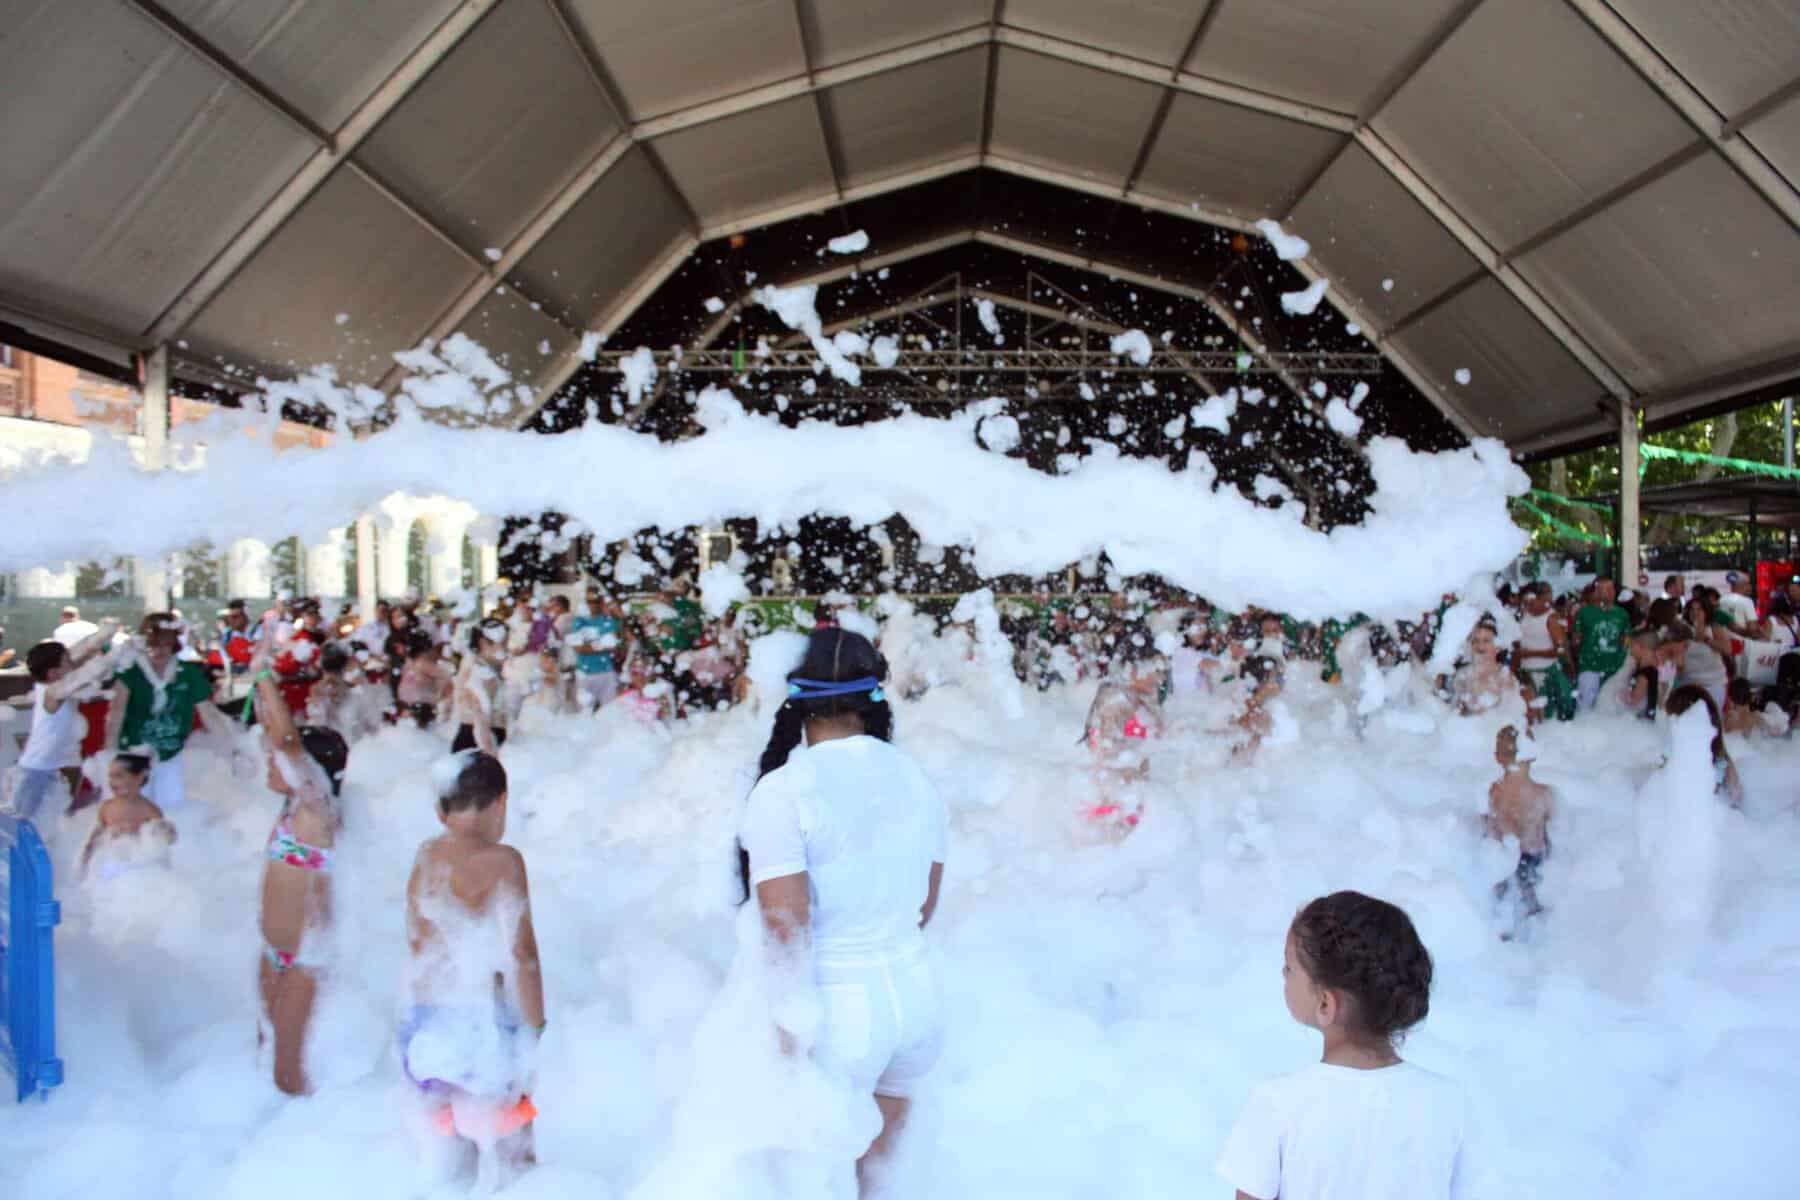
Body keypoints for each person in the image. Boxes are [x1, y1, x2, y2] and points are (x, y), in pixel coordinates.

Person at [738, 628, 947, 1196]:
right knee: (877, 1184)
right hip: (917, 999)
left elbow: (785, 926)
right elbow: (924, 906)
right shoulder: (916, 778)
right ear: (873, 697)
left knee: (812, 1182)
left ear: (795, 698)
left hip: (837, 1011)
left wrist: (789, 1029)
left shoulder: (784, 790)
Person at [1217, 892, 1488, 1200]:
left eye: (1289, 967)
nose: (1283, 973)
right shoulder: (1450, 1105)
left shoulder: (1278, 1103)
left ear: (1325, 1004)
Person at [401, 751, 544, 1183]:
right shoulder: (503, 860)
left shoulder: (427, 854)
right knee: (513, 1152)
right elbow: (521, 953)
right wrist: (536, 1027)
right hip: (479, 1026)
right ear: (501, 802)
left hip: (426, 1026)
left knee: (449, 1157)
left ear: (441, 808)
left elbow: (419, 940)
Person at [252, 658, 350, 1095]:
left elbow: (287, 741)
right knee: (264, 1057)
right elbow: (274, 732)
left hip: (307, 959)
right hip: (273, 952)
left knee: (288, 1074)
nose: (270, 763)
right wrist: (261, 692)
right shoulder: (292, 809)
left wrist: (264, 676)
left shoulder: (319, 812)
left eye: (278, 761)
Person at [104, 613, 225, 814]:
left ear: (174, 644)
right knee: (132, 813)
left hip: (171, 754)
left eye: (165, 644)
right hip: (133, 756)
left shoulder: (188, 673)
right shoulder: (130, 672)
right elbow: (115, 716)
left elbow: (209, 714)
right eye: (152, 645)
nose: (159, 651)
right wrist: (109, 754)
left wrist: (229, 748)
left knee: (171, 811)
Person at [10, 623, 120, 821]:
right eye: (67, 662)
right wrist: (115, 656)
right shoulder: (52, 691)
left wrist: (102, 636)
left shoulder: (57, 678)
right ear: (53, 673)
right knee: (23, 820)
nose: (73, 664)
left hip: (66, 762)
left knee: (63, 819)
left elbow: (81, 654)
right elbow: (83, 675)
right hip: (38, 768)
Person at [1082, 653, 1164, 834]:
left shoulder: (1139, 699)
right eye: (1155, 671)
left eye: (1161, 672)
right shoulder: (1116, 699)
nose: (1159, 678)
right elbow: (1106, 749)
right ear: (1132, 670)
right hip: (1116, 794)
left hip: (1130, 790)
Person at [1485, 727, 1553, 940]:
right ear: (1532, 755)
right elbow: (1554, 833)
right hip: (1534, 859)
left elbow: (1490, 829)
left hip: (1507, 860)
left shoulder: (1496, 791)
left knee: (1504, 904)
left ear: (1498, 757)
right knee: (1535, 906)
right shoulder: (1544, 794)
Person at [80, 753, 176, 880]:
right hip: (111, 861)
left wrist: (167, 832)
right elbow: (96, 837)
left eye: (119, 776)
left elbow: (164, 841)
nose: (112, 782)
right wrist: (85, 860)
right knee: (105, 874)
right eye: (110, 776)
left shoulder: (148, 809)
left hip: (138, 865)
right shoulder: (107, 808)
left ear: (139, 778)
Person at [1665, 684, 1743, 808]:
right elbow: (1736, 800)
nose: (1671, 728)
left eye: (1673, 722)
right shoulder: (1722, 759)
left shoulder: (1677, 763)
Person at [1512, 584, 1573, 721]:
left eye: (1531, 603)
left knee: (1547, 717)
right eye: (1525, 603)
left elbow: (1560, 650)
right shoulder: (1523, 616)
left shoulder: (1551, 619)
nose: (1528, 607)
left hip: (1547, 674)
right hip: (1527, 674)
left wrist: (1530, 653)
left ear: (1541, 599)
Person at [1570, 577, 1630, 711]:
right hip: (1589, 667)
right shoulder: (1584, 613)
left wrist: (1623, 655)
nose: (1610, 592)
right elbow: (1575, 640)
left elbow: (1626, 639)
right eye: (1605, 589)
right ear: (1596, 591)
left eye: (1612, 588)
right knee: (1586, 709)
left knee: (1611, 710)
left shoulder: (1622, 614)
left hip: (1614, 668)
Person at [451, 619, 509, 755]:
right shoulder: (480, 672)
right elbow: (480, 717)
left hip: (477, 738)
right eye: (504, 642)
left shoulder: (483, 664)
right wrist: (491, 754)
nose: (507, 646)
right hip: (478, 741)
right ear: (483, 642)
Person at [567, 588, 622, 710]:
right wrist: (602, 644)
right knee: (583, 714)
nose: (592, 604)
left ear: (601, 602)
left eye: (595, 601)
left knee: (610, 712)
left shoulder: (609, 621)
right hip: (584, 674)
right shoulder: (579, 621)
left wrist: (590, 646)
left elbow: (613, 646)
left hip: (606, 673)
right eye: (589, 601)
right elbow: (579, 648)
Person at [398, 635, 452, 730]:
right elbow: (447, 680)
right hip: (418, 708)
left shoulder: (409, 663)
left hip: (414, 708)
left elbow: (447, 681)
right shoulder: (420, 663)